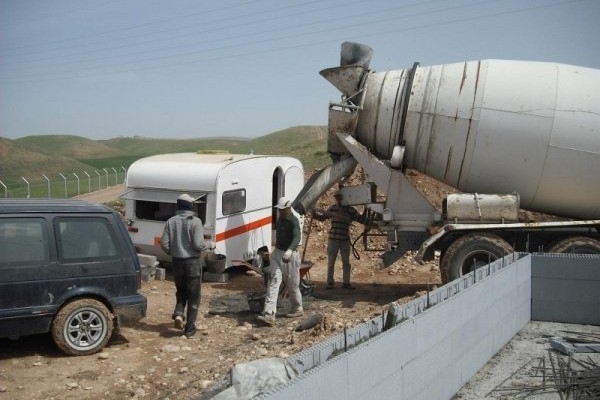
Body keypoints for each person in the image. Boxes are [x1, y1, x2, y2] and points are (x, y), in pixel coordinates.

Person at [161, 193, 215, 338]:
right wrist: (210, 245)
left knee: (181, 290)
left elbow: (164, 244)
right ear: (190, 206)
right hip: (192, 263)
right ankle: (190, 329)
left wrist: (174, 251)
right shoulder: (195, 221)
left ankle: (179, 313)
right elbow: (198, 244)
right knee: (194, 295)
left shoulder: (171, 221)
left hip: (177, 262)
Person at [256, 196, 303, 326]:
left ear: (288, 208)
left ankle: (297, 308)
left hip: (290, 255)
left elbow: (297, 237)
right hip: (277, 253)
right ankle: (269, 313)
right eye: (279, 209)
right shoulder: (280, 219)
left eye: (282, 209)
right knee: (273, 281)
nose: (280, 211)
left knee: (292, 285)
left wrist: (290, 250)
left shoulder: (294, 220)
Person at [319, 191, 363, 290]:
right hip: (333, 239)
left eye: (340, 198)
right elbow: (322, 218)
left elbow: (360, 219)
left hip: (344, 240)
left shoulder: (351, 211)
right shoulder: (332, 209)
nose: (338, 200)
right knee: (331, 262)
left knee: (346, 262)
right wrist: (314, 214)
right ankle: (330, 283)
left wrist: (370, 222)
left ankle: (346, 283)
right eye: (337, 198)